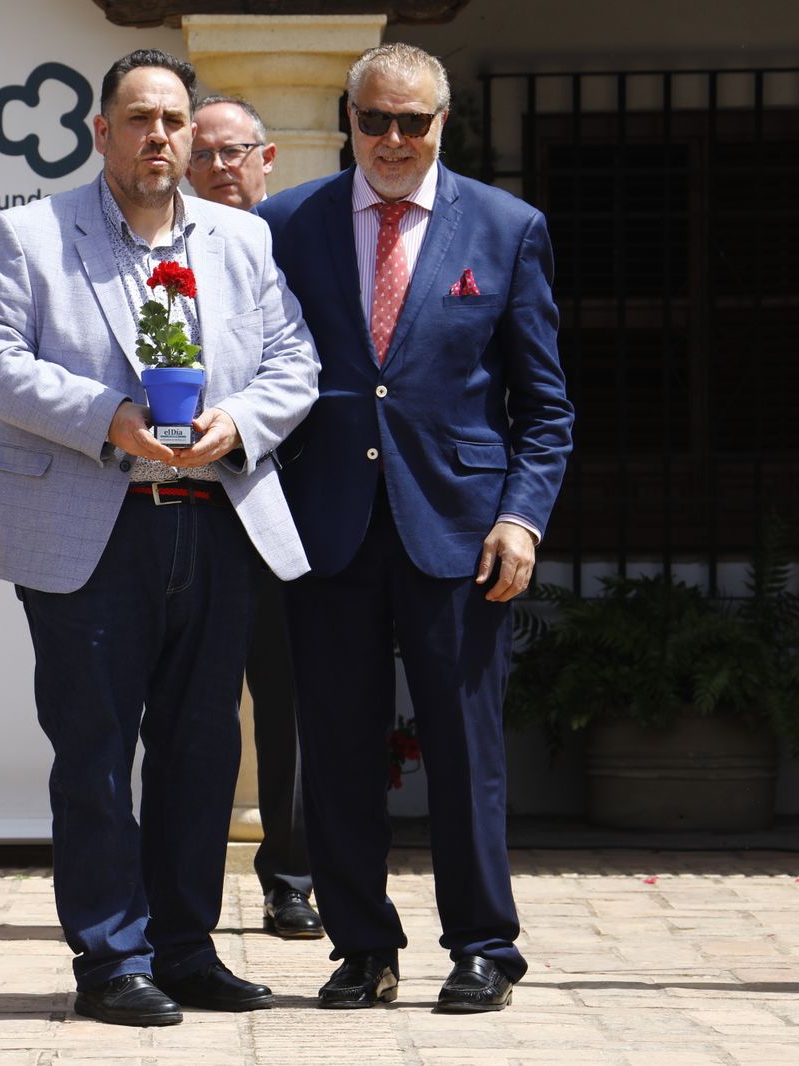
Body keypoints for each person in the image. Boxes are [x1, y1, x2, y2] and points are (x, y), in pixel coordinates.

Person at [0, 50, 319, 1027]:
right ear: (101, 132)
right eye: (138, 118)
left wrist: (238, 421)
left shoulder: (241, 241)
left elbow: (294, 360)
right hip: (93, 528)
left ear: (191, 133)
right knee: (95, 753)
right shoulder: (32, 234)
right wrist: (105, 413)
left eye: (173, 120)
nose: (158, 136)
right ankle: (110, 959)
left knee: (202, 752)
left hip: (213, 523)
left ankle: (186, 948)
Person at [256, 43, 573, 1012]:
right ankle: (361, 946)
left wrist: (520, 517)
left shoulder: (508, 226)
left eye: (413, 123)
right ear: (347, 118)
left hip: (462, 532)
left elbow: (545, 407)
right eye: (373, 121)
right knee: (338, 750)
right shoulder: (284, 226)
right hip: (328, 528)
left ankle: (483, 945)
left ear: (443, 123)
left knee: (465, 748)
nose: (392, 141)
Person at [186, 94, 322, 942]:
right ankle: (180, 882)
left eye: (236, 150)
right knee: (188, 709)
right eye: (205, 152)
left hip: (288, 506)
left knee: (290, 705)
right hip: (176, 506)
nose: (220, 166)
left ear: (267, 158)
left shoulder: (301, 243)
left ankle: (293, 877)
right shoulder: (156, 248)